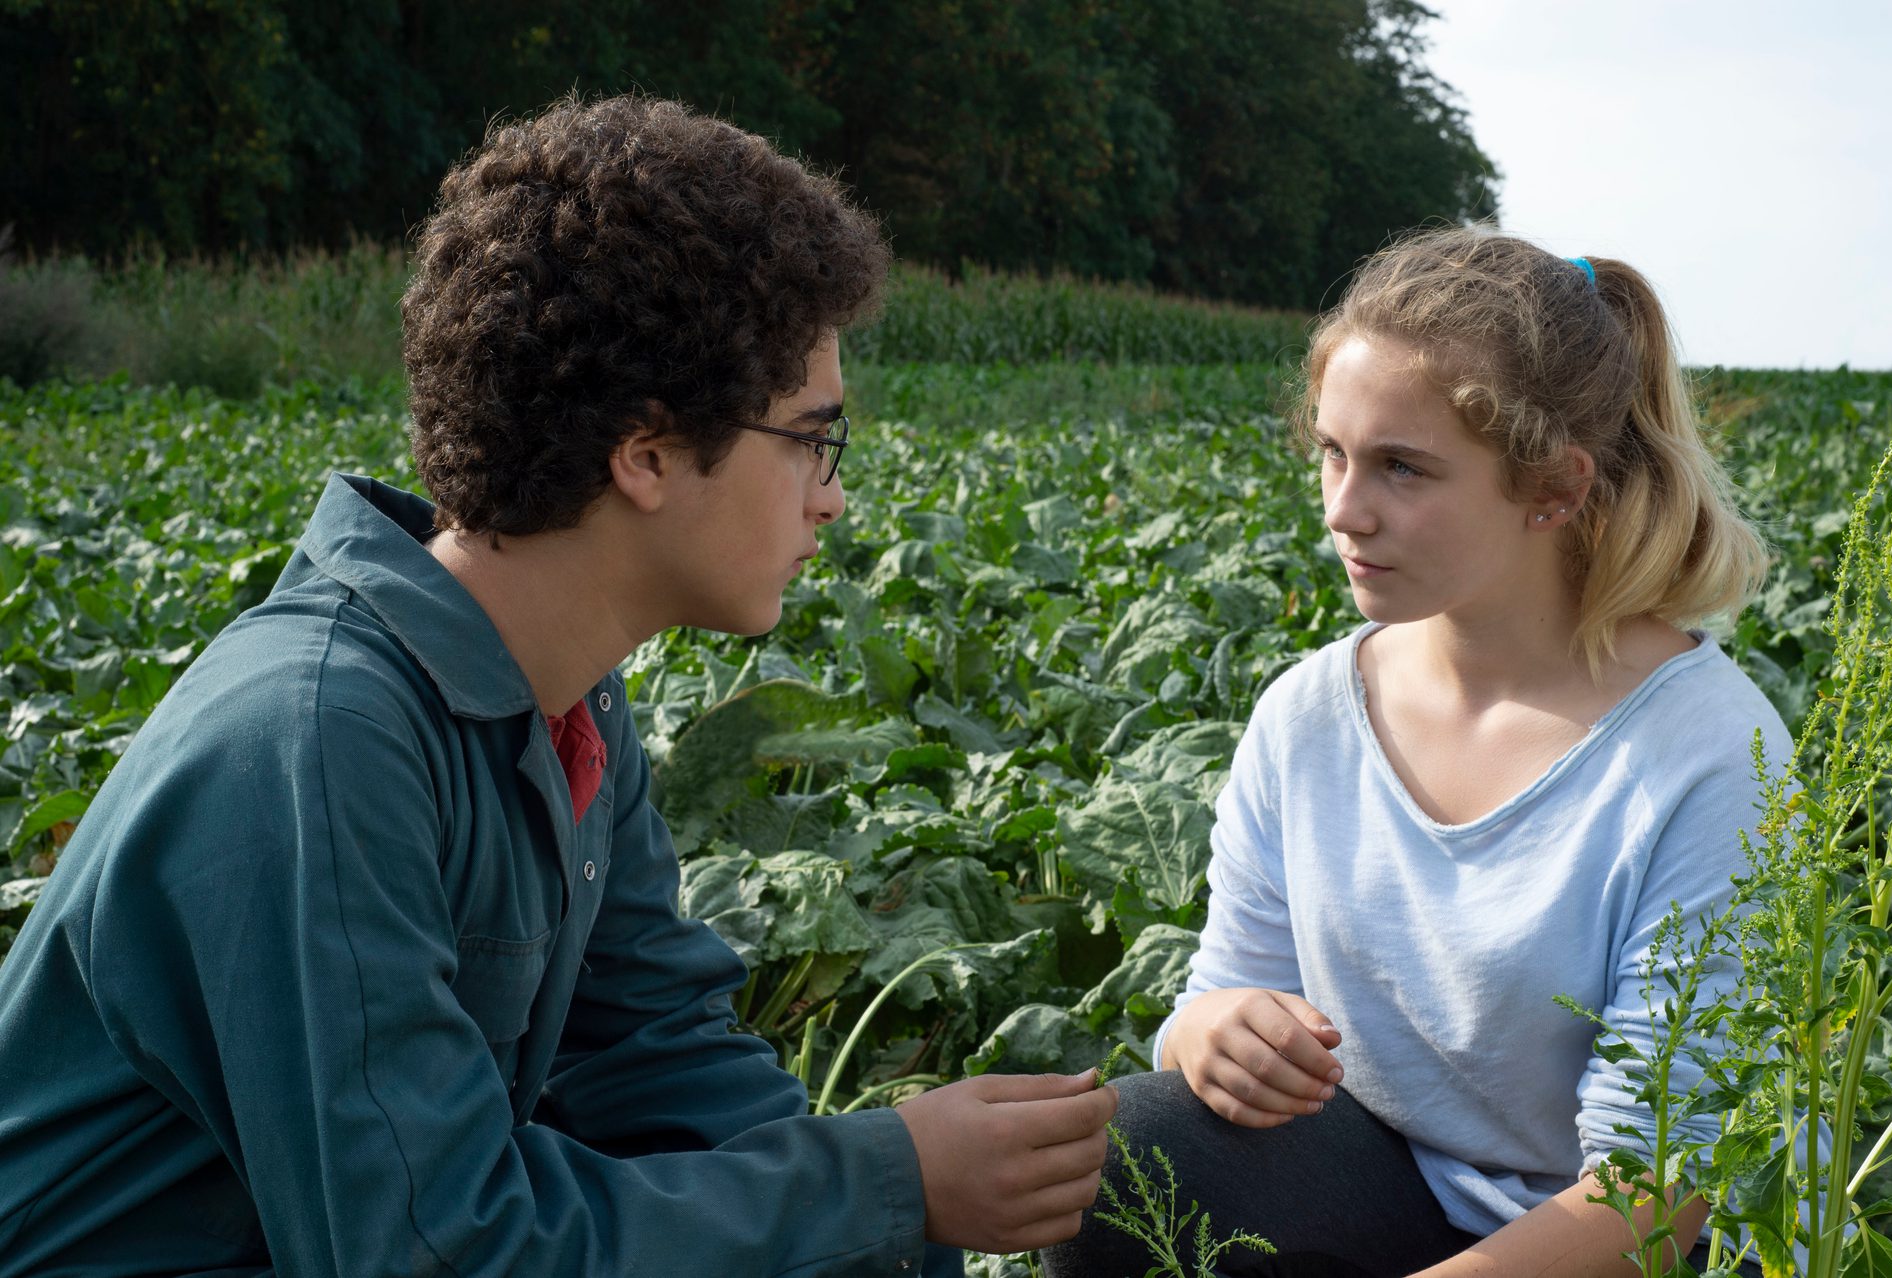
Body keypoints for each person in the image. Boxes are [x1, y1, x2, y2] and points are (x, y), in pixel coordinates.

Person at [0, 95, 1115, 1277]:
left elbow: (654, 1058)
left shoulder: (568, 698)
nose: (832, 497)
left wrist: (903, 1223)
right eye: (809, 438)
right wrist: (884, 1181)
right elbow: (436, 1255)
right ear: (646, 455)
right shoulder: (319, 739)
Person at [1044, 229, 1785, 1278]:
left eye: (1402, 467)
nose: (1344, 511)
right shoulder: (1307, 715)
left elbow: (1662, 1183)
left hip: (1643, 1242)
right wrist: (1212, 1030)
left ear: (1555, 488)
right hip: (1394, 1191)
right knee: (1125, 1157)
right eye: (1333, 453)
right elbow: (1221, 989)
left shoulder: (1710, 754)